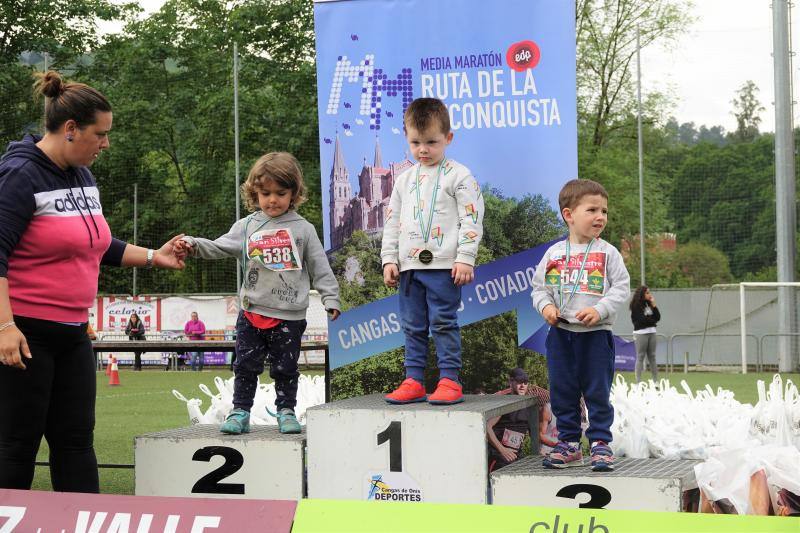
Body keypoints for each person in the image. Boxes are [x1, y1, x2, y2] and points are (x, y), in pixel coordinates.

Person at [0, 71, 186, 493]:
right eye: (100, 134)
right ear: (70, 129)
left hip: (73, 335)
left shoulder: (82, 176)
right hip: (25, 335)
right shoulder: (19, 175)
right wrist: (5, 327)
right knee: (16, 447)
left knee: (77, 443)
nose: (106, 143)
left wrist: (154, 256)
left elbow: (96, 243)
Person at [179, 152, 341, 434]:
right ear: (255, 192)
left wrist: (330, 297)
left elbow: (320, 266)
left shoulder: (303, 229)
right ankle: (240, 411)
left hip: (289, 317)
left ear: (294, 193)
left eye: (281, 192)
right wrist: (193, 244)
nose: (273, 199)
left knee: (286, 368)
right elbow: (219, 247)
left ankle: (286, 411)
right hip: (252, 313)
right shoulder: (247, 226)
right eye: (265, 193)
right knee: (244, 366)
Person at [381, 98, 484, 405]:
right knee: (412, 325)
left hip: (444, 267)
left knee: (443, 322)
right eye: (415, 142)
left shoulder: (459, 175)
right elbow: (392, 221)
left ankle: (449, 380)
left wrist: (465, 257)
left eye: (431, 142)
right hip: (410, 268)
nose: (423, 149)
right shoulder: (403, 180)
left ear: (448, 139)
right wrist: (389, 259)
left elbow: (472, 217)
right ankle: (413, 380)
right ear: (406, 137)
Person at [532, 178, 630, 472]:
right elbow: (539, 290)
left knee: (597, 392)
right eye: (592, 210)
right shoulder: (554, 254)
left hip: (596, 337)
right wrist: (547, 308)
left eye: (604, 211)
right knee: (563, 391)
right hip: (561, 335)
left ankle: (600, 444)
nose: (600, 217)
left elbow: (621, 288)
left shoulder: (608, 253)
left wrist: (599, 310)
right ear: (569, 215)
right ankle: (569, 444)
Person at [487, 368, 533, 472]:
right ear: (510, 382)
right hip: (498, 456)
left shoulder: (530, 406)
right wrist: (502, 450)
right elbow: (486, 427)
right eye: (519, 382)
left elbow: (535, 435)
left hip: (516, 457)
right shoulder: (504, 403)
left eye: (525, 383)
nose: (522, 386)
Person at [630, 285, 660, 382]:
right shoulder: (635, 305)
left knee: (652, 357)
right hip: (640, 333)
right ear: (642, 294)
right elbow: (641, 320)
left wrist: (654, 305)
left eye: (649, 292)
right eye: (647, 293)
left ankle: (656, 382)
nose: (649, 294)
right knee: (640, 356)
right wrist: (653, 321)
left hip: (652, 332)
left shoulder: (649, 304)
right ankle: (638, 382)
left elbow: (658, 317)